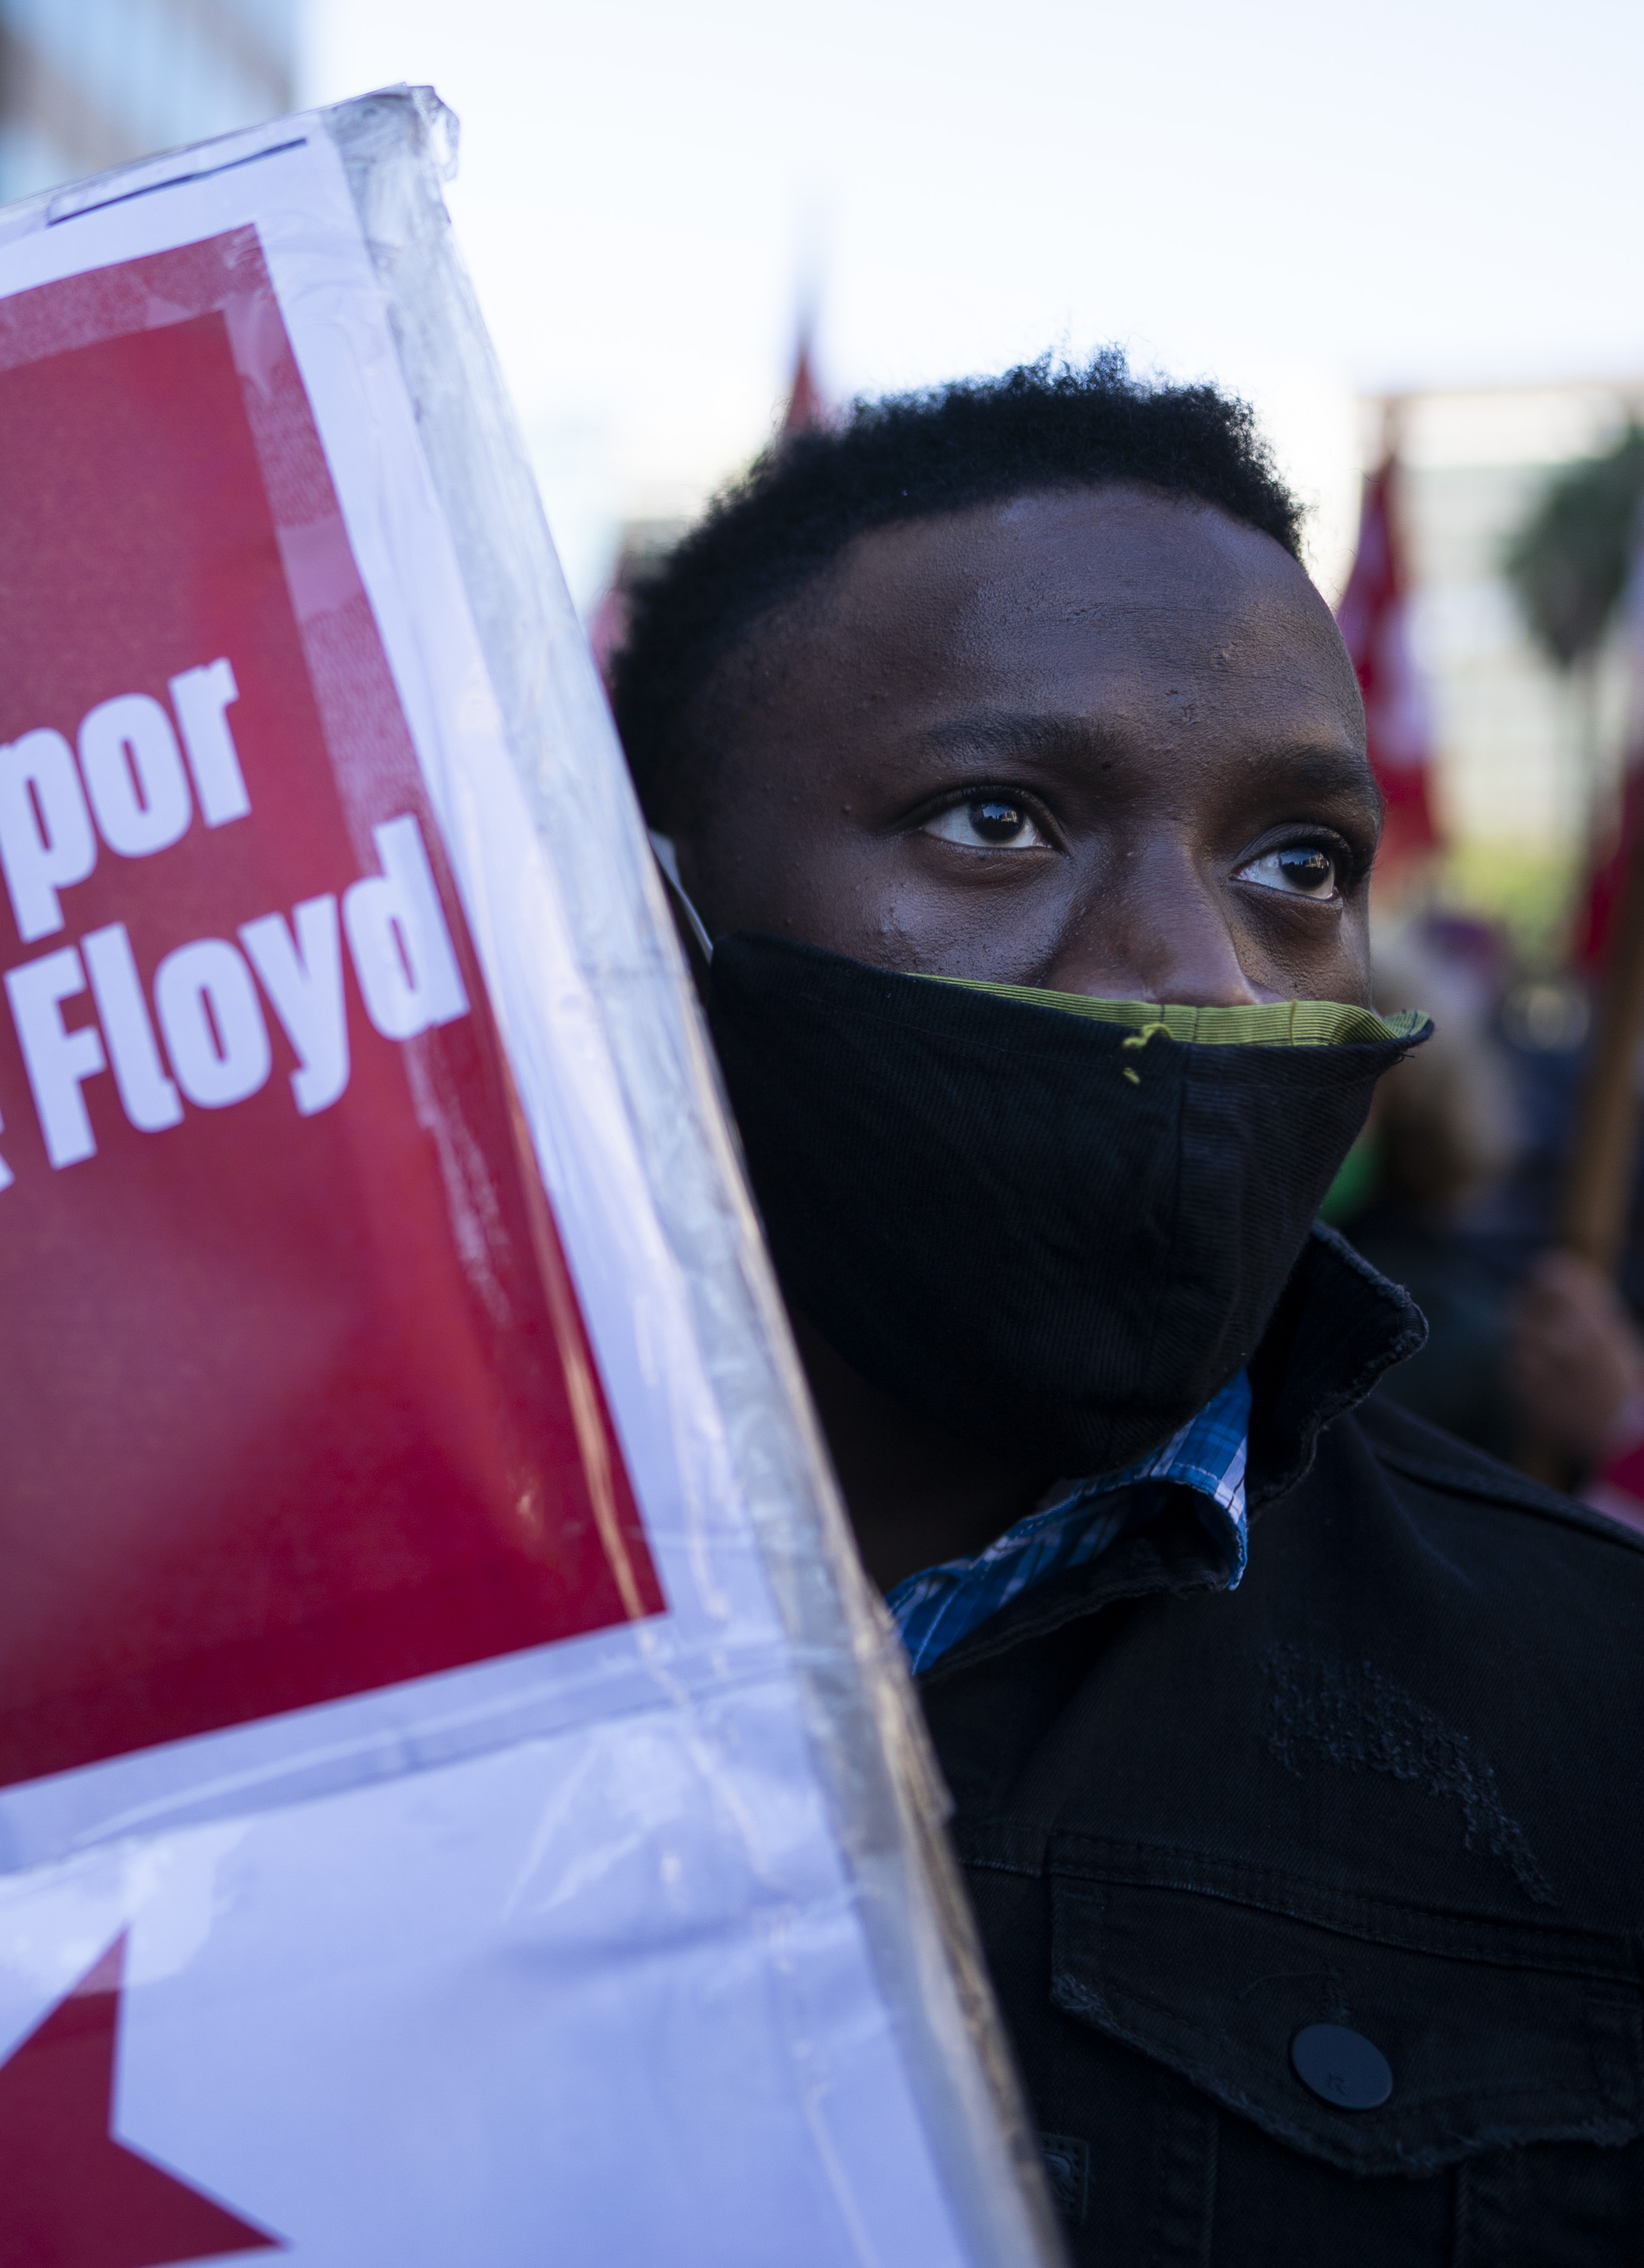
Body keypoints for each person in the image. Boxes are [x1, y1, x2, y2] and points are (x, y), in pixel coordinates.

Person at [611, 356, 1644, 2260]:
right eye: (995, 821)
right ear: (644, 911)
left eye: (1293, 865)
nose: (1201, 975)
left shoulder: (1605, 1718)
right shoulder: (259, 1655)